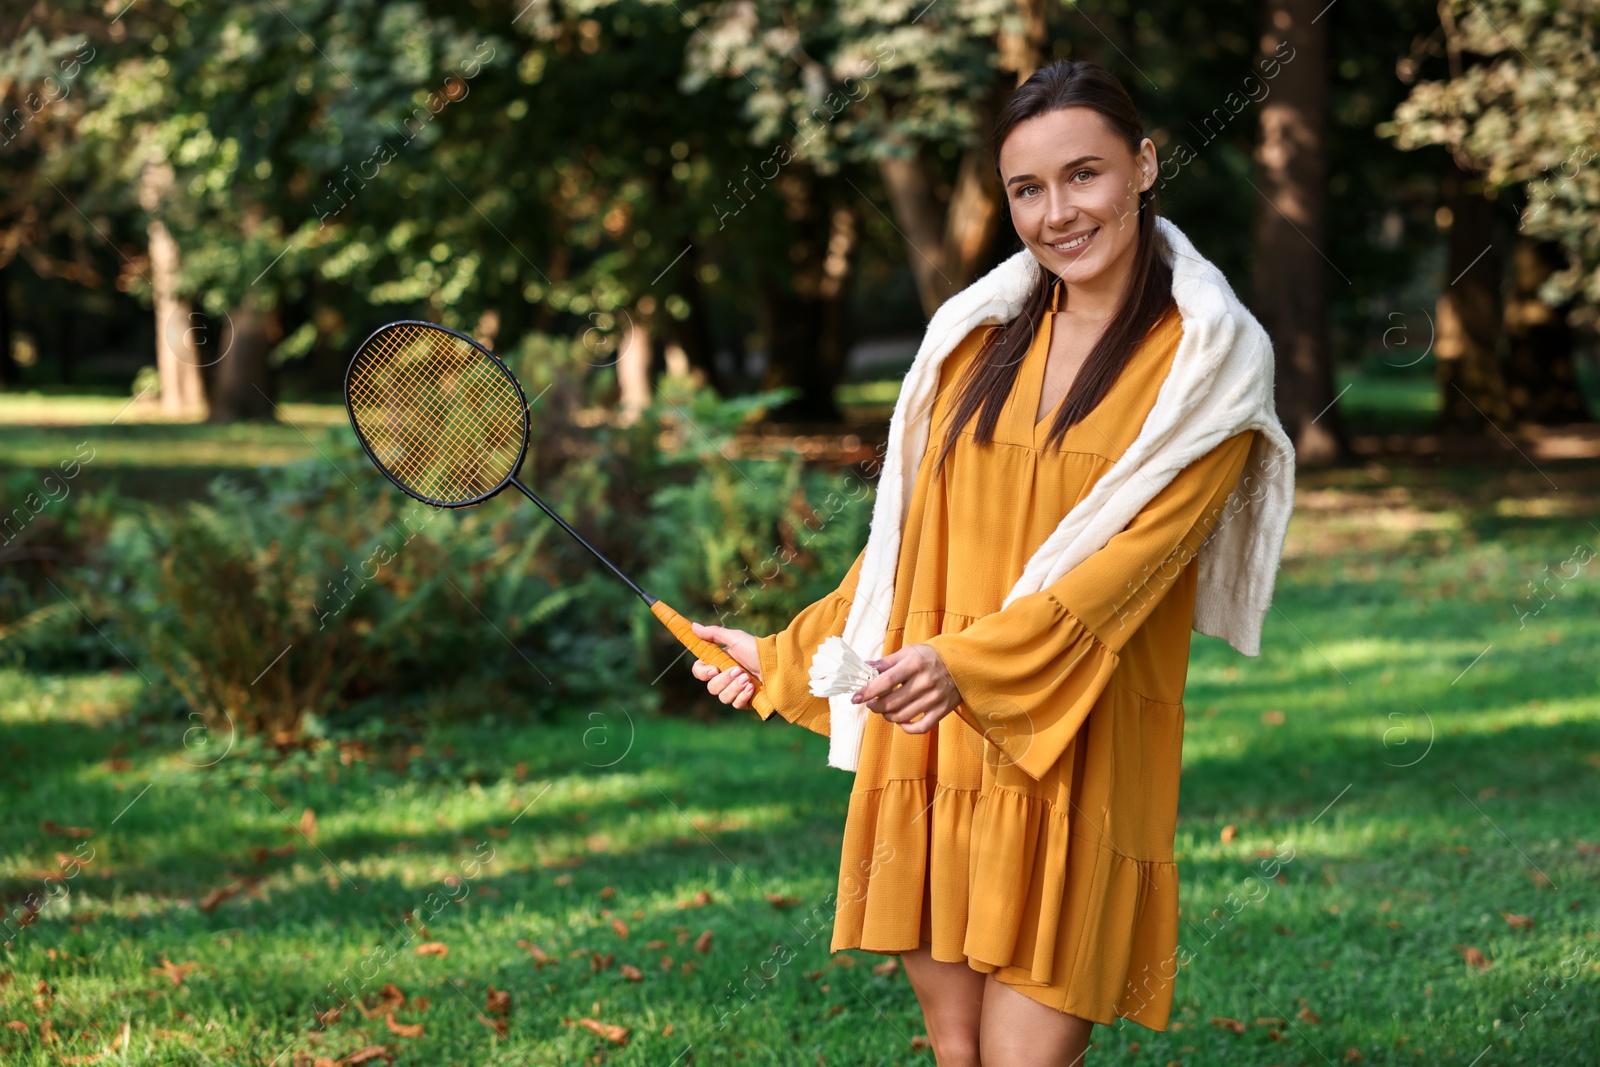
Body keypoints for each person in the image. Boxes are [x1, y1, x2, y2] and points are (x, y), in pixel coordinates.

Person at [689, 59, 1285, 1066]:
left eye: (1084, 174)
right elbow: (906, 549)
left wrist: (967, 665)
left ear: (1142, 166)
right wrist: (783, 657)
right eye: (1027, 189)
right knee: (955, 1048)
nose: (1059, 211)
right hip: (938, 744)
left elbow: (1132, 569)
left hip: (1076, 746)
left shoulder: (1209, 362)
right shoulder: (971, 344)